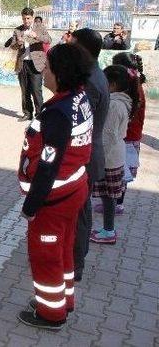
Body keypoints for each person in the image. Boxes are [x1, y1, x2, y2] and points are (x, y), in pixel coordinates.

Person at [17, 43, 94, 330]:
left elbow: (48, 165)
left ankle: (50, 314)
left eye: (47, 68)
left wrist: (31, 206)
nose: (43, 72)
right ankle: (64, 301)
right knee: (62, 249)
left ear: (61, 73)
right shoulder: (77, 98)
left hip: (54, 198)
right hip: (73, 190)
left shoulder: (59, 113)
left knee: (46, 254)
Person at [68, 28, 110, 282]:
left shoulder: (92, 81)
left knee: (80, 215)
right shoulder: (91, 74)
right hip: (86, 154)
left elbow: (81, 122)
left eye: (73, 45)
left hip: (86, 156)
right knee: (78, 213)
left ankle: (75, 265)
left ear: (83, 48)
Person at [90, 65, 137, 244]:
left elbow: (107, 136)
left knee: (109, 197)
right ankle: (107, 229)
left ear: (113, 84)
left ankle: (108, 231)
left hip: (108, 157)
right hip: (112, 155)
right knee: (108, 196)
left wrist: (97, 157)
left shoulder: (115, 105)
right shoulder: (120, 101)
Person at [110, 53, 146, 213]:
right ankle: (117, 202)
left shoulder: (131, 90)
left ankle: (117, 204)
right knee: (121, 172)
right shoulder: (135, 85)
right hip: (131, 136)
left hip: (127, 137)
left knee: (120, 172)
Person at [10, 7, 51, 122]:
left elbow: (48, 40)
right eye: (24, 18)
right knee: (25, 90)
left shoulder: (40, 27)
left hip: (36, 63)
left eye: (28, 18)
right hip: (23, 63)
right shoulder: (18, 30)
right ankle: (27, 113)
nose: (26, 21)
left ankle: (40, 115)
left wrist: (36, 36)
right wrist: (18, 43)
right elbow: (12, 46)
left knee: (36, 90)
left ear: (32, 17)